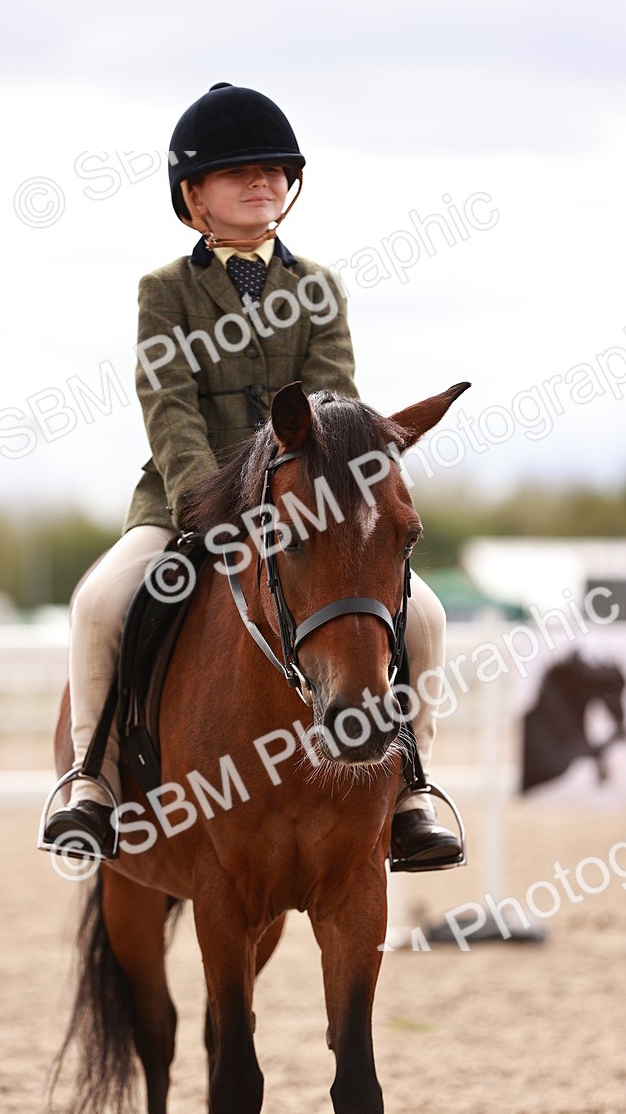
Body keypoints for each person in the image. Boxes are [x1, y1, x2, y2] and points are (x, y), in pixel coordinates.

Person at [44, 83, 462, 868]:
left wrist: (299, 500)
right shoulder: (165, 291)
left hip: (305, 501)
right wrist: (213, 507)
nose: (262, 182)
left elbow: (333, 402)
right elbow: (168, 405)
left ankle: (411, 788)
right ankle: (89, 785)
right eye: (239, 172)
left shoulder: (318, 288)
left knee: (427, 616)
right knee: (99, 602)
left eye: (274, 169)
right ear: (193, 195)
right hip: (188, 500)